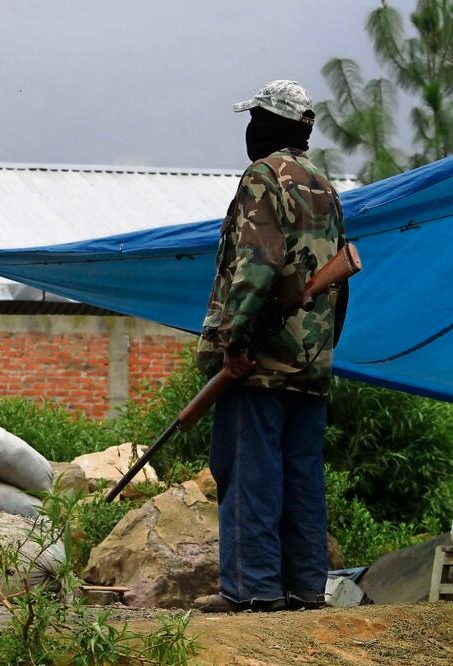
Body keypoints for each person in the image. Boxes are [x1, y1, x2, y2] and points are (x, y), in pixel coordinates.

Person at [193, 81, 346, 612]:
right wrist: (322, 348)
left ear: (270, 124)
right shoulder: (325, 186)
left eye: (255, 118)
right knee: (301, 474)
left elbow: (255, 266)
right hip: (310, 361)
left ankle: (252, 591)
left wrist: (233, 342)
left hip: (260, 361)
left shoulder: (263, 177)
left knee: (249, 469)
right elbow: (337, 281)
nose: (249, 130)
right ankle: (306, 589)